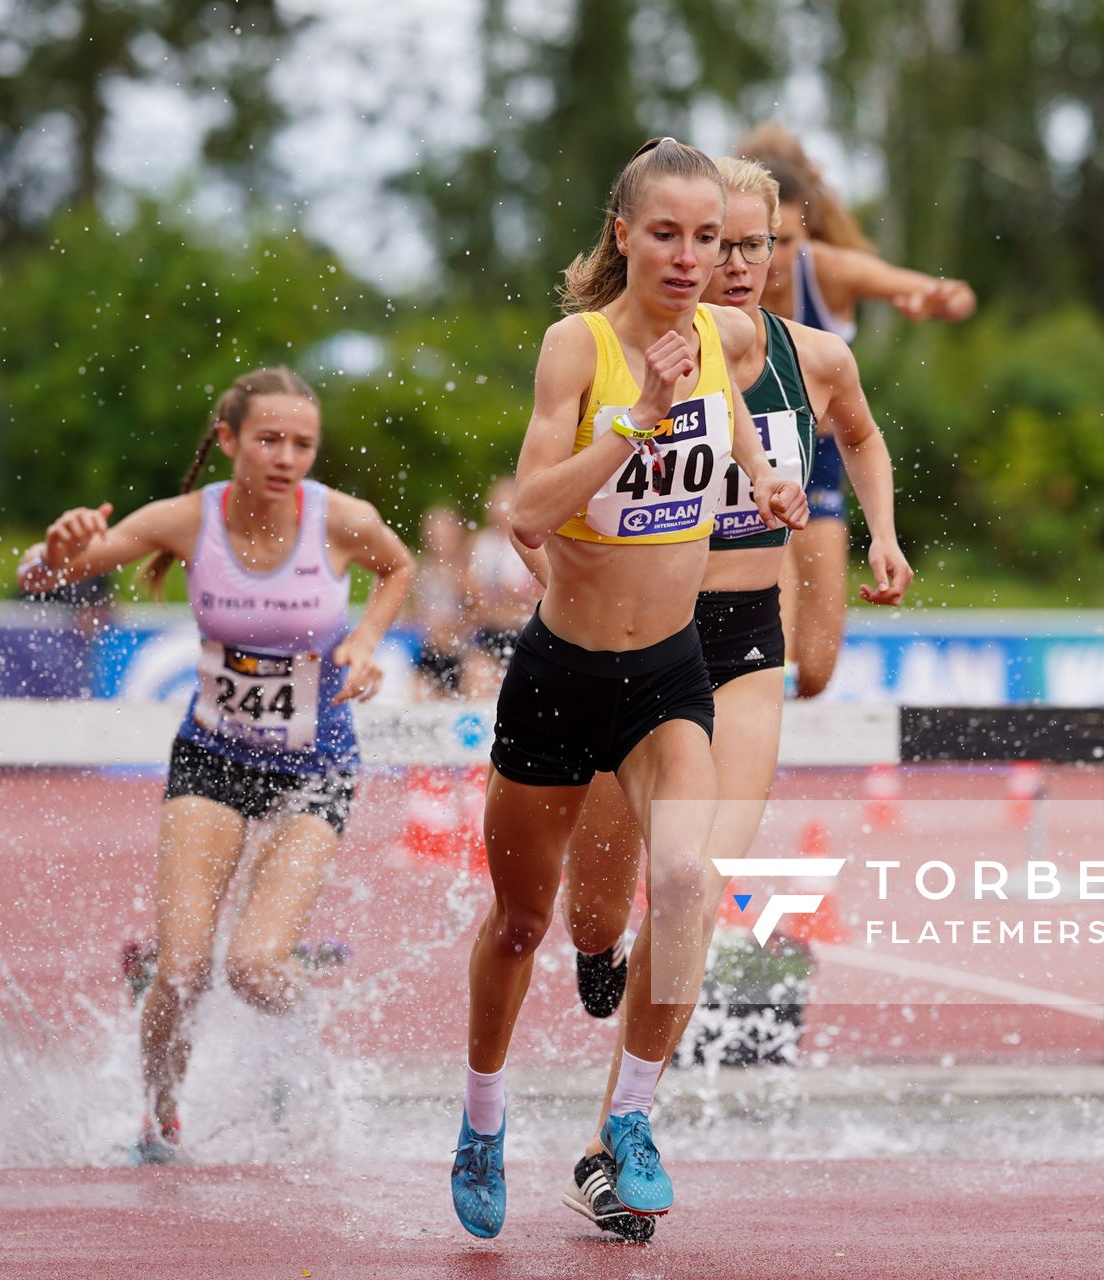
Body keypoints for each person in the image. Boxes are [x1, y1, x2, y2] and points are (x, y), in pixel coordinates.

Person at [450, 137, 807, 1240]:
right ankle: (482, 1114)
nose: (694, 256)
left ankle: (632, 1120)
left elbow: (740, 431)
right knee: (523, 921)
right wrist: (637, 425)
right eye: (670, 233)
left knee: (693, 880)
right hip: (561, 677)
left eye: (710, 237)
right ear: (624, 234)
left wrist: (768, 484)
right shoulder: (578, 347)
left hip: (669, 674)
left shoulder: (713, 338)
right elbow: (528, 511)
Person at [557, 155, 912, 1240]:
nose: (740, 265)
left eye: (761, 247)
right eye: (721, 244)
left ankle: (613, 1136)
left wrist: (883, 533)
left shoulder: (817, 358)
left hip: (744, 647)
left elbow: (858, 432)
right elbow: (551, 496)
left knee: (696, 895)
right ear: (688, 247)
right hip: (637, 643)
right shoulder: (630, 359)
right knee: (599, 907)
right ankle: (591, 946)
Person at [16, 367, 415, 1164]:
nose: (287, 457)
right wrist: (50, 551)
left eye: (303, 443)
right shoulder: (184, 520)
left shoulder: (340, 519)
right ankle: (160, 1119)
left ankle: (291, 1044)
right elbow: (46, 576)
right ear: (229, 440)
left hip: (316, 764)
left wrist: (366, 641)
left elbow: (399, 568)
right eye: (269, 439)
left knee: (256, 969)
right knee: (186, 970)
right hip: (213, 755)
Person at [738, 123, 974, 698]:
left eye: (785, 243)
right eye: (753, 241)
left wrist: (930, 300)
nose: (767, 263)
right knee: (770, 651)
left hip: (816, 462)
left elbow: (956, 294)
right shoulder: (715, 279)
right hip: (739, 466)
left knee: (815, 671)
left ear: (805, 234)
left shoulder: (826, 271)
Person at [462, 477, 543, 697]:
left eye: (506, 503)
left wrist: (501, 595)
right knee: (476, 678)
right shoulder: (481, 543)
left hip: (524, 631)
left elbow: (539, 590)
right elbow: (470, 594)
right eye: (497, 504)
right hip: (490, 629)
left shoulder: (532, 542)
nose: (501, 510)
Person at [411, 505, 471, 699]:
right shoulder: (423, 569)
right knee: (418, 695)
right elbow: (416, 612)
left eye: (444, 535)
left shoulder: (464, 571)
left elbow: (477, 614)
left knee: (470, 689)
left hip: (460, 652)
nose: (439, 541)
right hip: (431, 651)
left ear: (456, 535)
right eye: (435, 535)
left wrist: (453, 627)